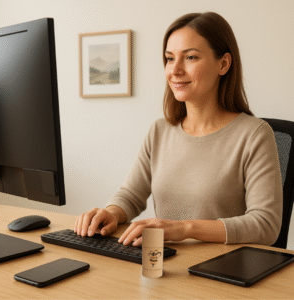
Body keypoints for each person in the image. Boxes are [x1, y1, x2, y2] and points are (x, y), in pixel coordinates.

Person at [74, 12, 283, 247]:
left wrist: (185, 228)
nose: (175, 70)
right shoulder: (159, 131)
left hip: (224, 272)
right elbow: (131, 196)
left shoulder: (254, 135)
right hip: (163, 265)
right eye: (170, 58)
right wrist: (111, 212)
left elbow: (265, 225)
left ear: (223, 64)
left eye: (190, 57)